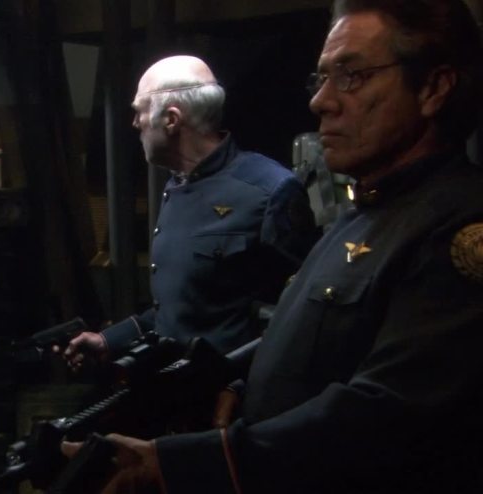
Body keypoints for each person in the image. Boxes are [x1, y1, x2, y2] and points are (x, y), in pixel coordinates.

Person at [62, 0, 483, 492]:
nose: (321, 101)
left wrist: (188, 464)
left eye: (351, 76)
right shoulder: (366, 216)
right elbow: (311, 334)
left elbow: (389, 413)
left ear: (433, 88)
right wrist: (242, 384)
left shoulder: (459, 227)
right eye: (321, 79)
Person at [64, 55, 317, 368]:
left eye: (139, 111)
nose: (135, 123)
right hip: (178, 384)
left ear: (171, 120)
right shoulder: (177, 185)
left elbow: (306, 316)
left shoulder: (270, 190)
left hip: (235, 390)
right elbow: (185, 307)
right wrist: (109, 340)